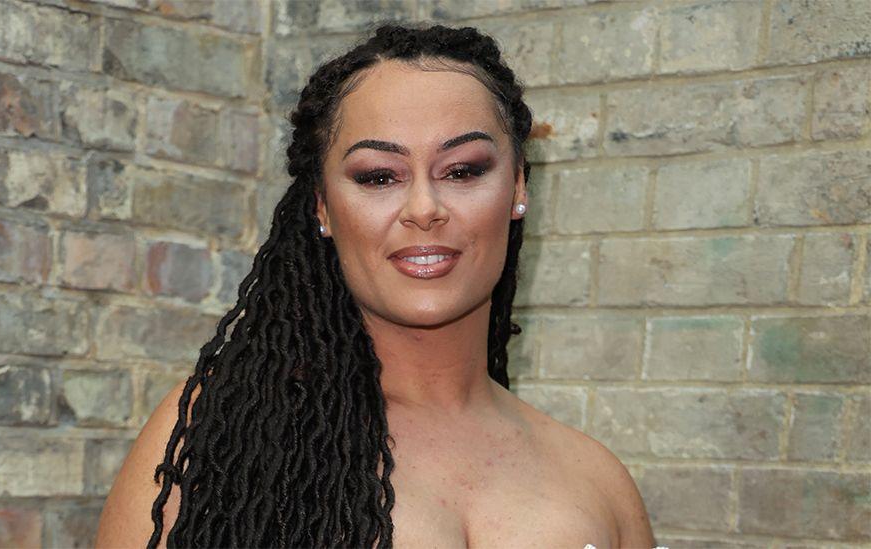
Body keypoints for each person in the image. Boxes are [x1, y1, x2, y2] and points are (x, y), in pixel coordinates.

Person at [95, 23, 657, 549]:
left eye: (462, 170)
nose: (424, 209)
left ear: (516, 186)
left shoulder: (599, 482)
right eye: (378, 176)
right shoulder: (214, 433)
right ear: (323, 207)